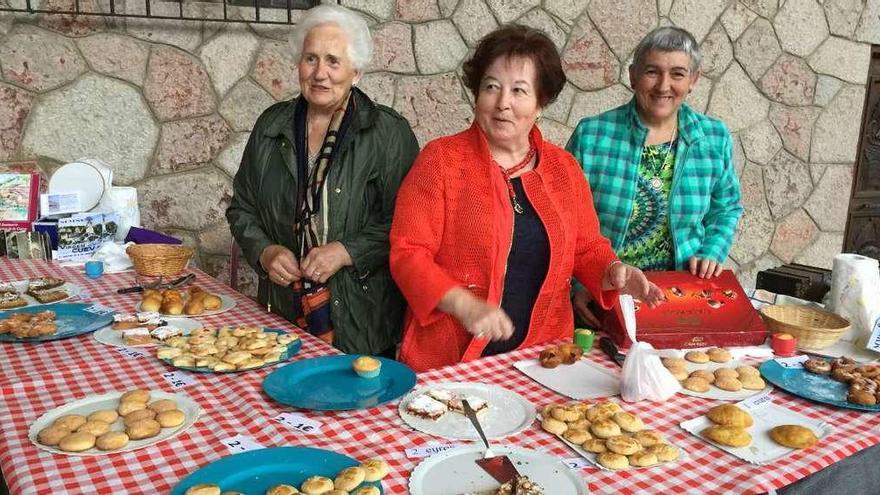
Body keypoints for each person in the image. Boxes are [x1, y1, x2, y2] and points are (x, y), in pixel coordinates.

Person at [389, 25, 664, 372]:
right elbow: (408, 253)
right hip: (451, 361)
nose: (503, 102)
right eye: (491, 87)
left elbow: (586, 248)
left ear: (540, 103)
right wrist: (463, 304)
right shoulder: (441, 161)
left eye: (519, 91)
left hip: (541, 359)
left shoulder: (564, 169)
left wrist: (613, 272)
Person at [226, 4, 419, 356]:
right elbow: (242, 208)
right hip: (283, 314)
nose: (320, 73)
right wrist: (265, 252)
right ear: (298, 64)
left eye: (333, 61)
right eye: (310, 59)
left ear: (355, 71)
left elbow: (408, 223)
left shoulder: (388, 133)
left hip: (362, 321)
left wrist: (346, 252)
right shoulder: (271, 126)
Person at [566, 26, 743, 328]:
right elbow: (564, 219)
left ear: (693, 81)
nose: (664, 85)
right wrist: (581, 284)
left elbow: (727, 207)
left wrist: (712, 250)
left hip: (680, 297)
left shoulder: (713, 137)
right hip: (606, 294)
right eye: (652, 72)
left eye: (677, 74)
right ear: (633, 75)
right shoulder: (593, 134)